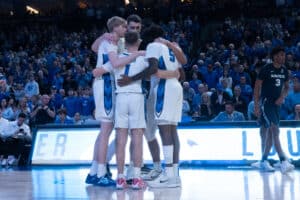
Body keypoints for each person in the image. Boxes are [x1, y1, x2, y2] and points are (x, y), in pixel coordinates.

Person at [119, 24, 183, 188]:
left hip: (163, 89)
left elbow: (153, 68)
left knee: (164, 132)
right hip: (176, 87)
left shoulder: (154, 46)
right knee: (172, 130)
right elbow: (181, 73)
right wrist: (168, 73)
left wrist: (131, 78)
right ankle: (174, 174)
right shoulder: (173, 47)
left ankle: (167, 175)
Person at [85, 16, 144, 186]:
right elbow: (116, 63)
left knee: (106, 129)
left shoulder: (116, 41)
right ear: (116, 27)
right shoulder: (111, 42)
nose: (127, 29)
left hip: (106, 84)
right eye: (124, 26)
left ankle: (95, 170)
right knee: (106, 129)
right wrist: (102, 69)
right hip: (106, 85)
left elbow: (94, 48)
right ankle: (101, 172)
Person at [114, 31, 156, 189]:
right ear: (138, 41)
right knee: (137, 137)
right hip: (136, 95)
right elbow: (149, 74)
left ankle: (120, 178)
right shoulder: (143, 56)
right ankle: (137, 178)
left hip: (120, 97)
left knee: (121, 139)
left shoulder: (117, 56)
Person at [253, 46, 295, 173]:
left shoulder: (284, 70)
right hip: (266, 103)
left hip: (277, 105)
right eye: (280, 55)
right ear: (274, 56)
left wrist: (282, 97)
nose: (283, 57)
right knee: (274, 130)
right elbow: (257, 87)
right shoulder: (266, 69)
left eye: (283, 55)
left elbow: (287, 87)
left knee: (271, 132)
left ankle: (264, 160)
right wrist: (256, 105)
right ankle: (283, 160)